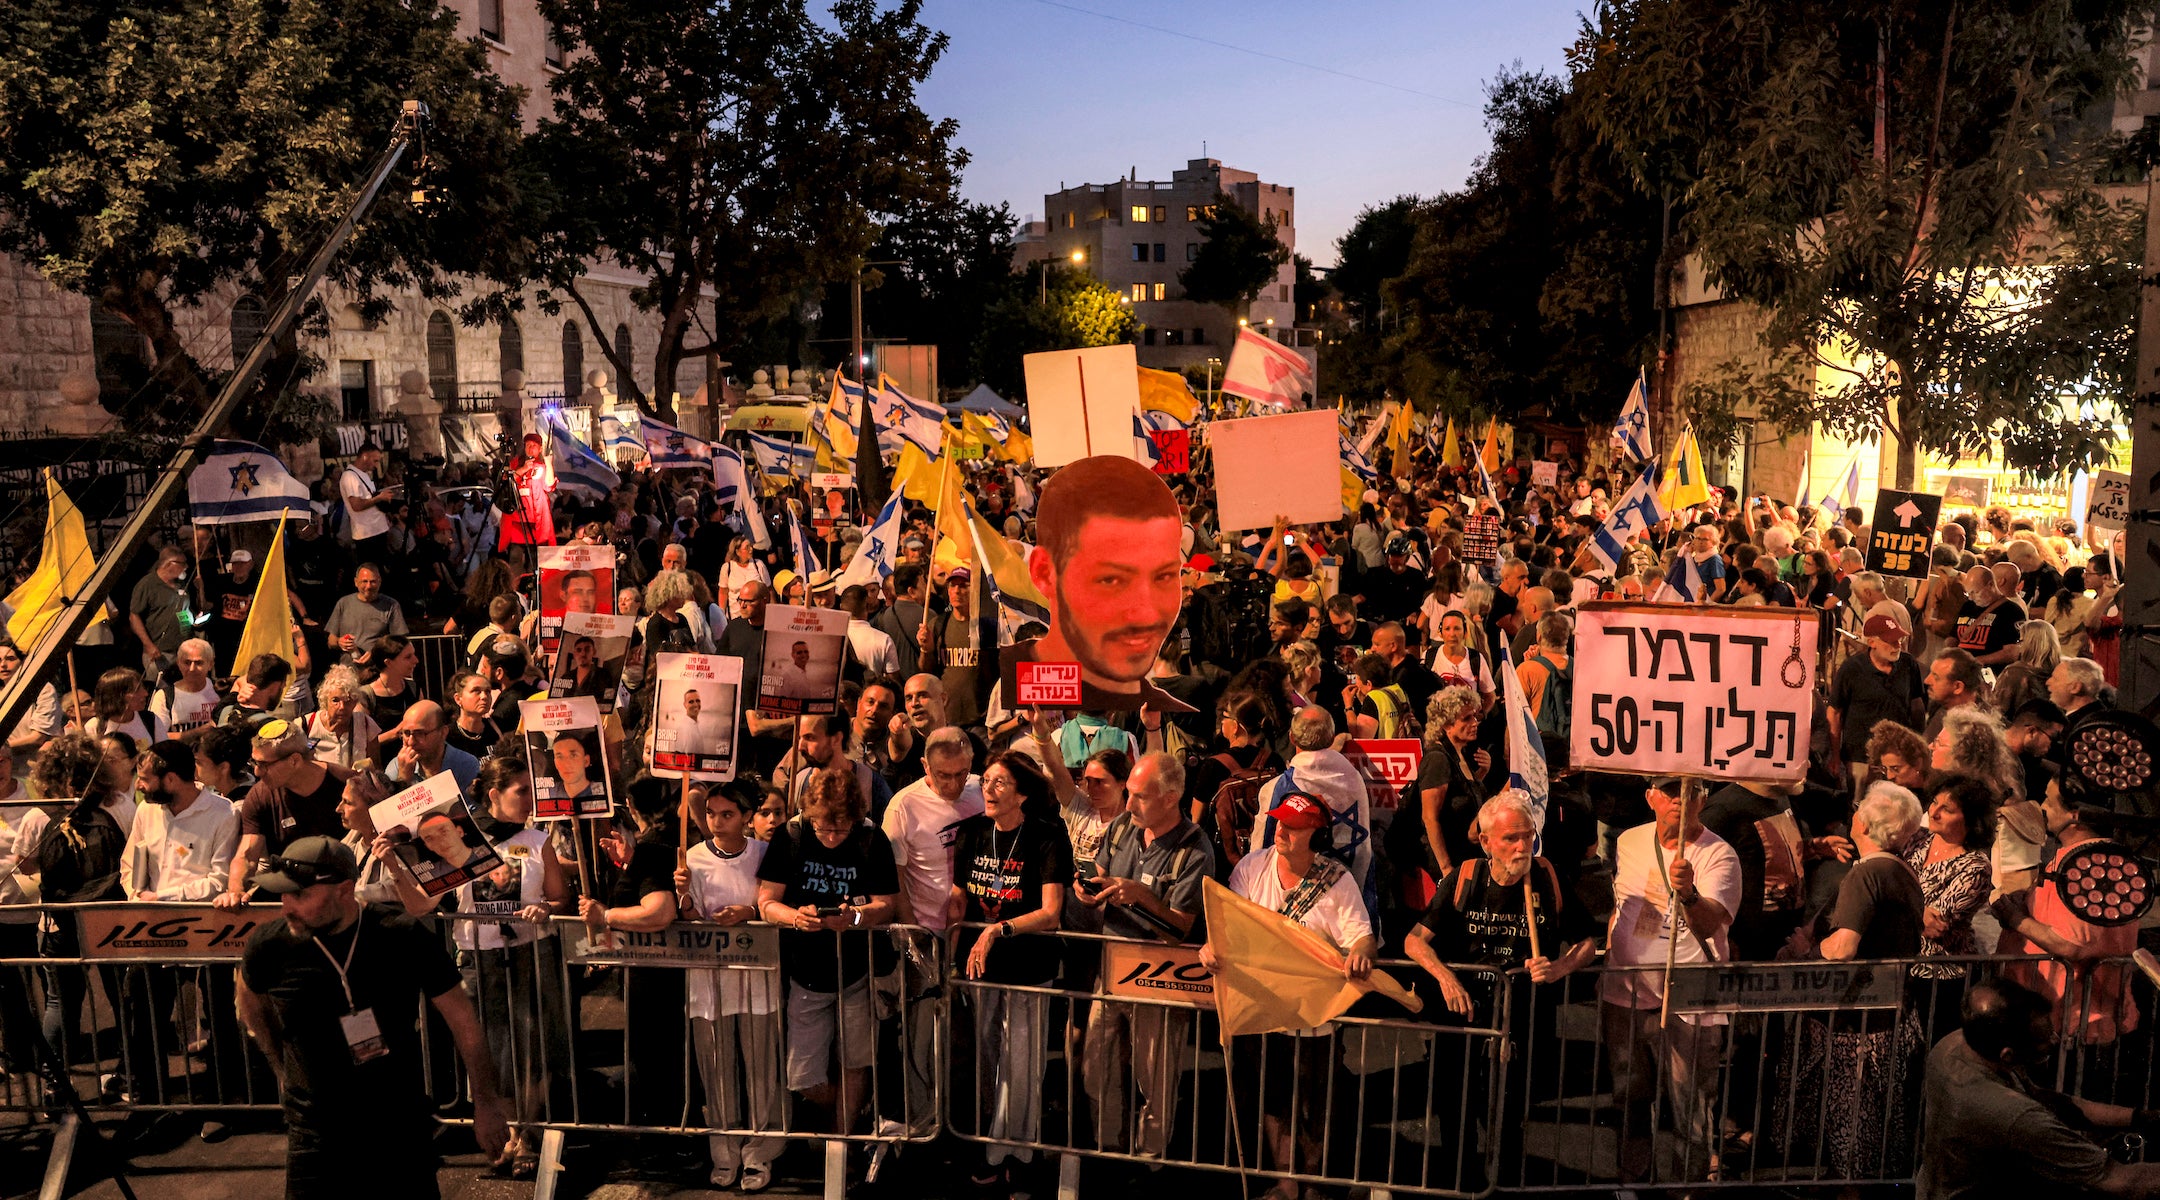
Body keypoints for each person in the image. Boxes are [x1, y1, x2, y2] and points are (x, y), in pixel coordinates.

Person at [237, 836, 510, 1193]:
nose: (286, 905)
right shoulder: (270, 945)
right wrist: (278, 1065)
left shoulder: (400, 935)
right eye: (283, 894)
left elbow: (463, 1020)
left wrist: (486, 1104)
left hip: (396, 1124)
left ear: (344, 890)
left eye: (300, 895)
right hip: (315, 1131)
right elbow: (249, 1001)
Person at [387, 753, 568, 1179]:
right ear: (493, 795)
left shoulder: (537, 841)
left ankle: (526, 1132)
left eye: (531, 789)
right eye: (521, 791)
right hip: (477, 960)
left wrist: (545, 908)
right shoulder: (460, 842)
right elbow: (421, 905)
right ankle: (504, 1130)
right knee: (490, 1048)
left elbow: (560, 899)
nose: (529, 799)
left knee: (532, 1044)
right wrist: (396, 865)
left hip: (531, 955)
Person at [1204, 792, 1377, 1199]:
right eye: (1280, 822)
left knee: (1314, 1109)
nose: (1281, 831)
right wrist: (1211, 947)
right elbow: (1228, 925)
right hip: (1262, 1009)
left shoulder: (1337, 880)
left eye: (1294, 827)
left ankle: (1314, 1187)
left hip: (1313, 1016)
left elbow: (1364, 939)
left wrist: (1360, 956)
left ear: (1317, 836)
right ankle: (1286, 1184)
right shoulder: (1252, 866)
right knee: (1273, 1103)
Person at [1781, 783, 1927, 1177]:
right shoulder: (1901, 870)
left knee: (1854, 1125)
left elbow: (1843, 947)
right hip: (1886, 1016)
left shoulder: (1868, 874)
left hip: (1857, 1025)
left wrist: (1806, 952)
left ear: (1862, 821)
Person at [1601, 777, 1740, 1181]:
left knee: (1690, 1107)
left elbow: (1713, 921)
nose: (1680, 798)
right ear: (1650, 798)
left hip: (1690, 1000)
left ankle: (1687, 1188)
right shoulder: (1628, 840)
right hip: (1625, 994)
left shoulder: (1720, 854)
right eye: (1669, 790)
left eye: (1691, 790)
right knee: (1629, 1100)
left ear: (1704, 798)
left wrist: (1691, 893)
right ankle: (1632, 1180)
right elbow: (1623, 901)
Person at [948, 753, 1072, 1194]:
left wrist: (998, 931)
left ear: (1022, 793)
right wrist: (948, 948)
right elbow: (959, 899)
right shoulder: (973, 832)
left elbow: (1052, 912)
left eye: (1000, 783)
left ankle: (1015, 1154)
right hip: (980, 968)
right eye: (987, 781)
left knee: (1020, 1064)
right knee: (986, 1061)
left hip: (1029, 968)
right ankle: (990, 1144)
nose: (989, 789)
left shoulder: (1047, 837)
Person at [1079, 751, 1213, 1158]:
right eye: (1130, 794)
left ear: (1171, 798)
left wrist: (1142, 898)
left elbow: (1180, 929)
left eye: (1141, 796)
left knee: (1155, 1077)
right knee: (1096, 1065)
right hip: (1112, 965)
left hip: (1161, 975)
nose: (1130, 803)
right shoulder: (1123, 827)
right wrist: (1089, 889)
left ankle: (1151, 1157)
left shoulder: (1196, 850)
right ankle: (1108, 1147)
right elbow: (1099, 876)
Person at [1918, 979, 2160, 1200]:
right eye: (2044, 1039)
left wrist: (2140, 1118)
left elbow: (2048, 1101)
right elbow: (2126, 1181)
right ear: (2008, 1055)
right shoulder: (2014, 1116)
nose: (2055, 1039)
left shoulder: (1960, 1044)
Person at [756, 769, 899, 1135]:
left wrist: (855, 917)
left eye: (841, 828)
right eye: (823, 828)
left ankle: (841, 1144)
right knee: (802, 1077)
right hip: (805, 972)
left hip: (858, 970)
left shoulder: (871, 838)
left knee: (856, 1061)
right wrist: (795, 917)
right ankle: (851, 1116)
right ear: (809, 815)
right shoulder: (793, 836)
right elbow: (766, 902)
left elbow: (887, 904)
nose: (832, 837)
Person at [1010, 455, 1190, 711]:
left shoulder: (1159, 701)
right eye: (1112, 580)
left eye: (1163, 576)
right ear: (1044, 573)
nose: (1146, 613)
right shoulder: (1035, 683)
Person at [674, 779, 785, 1191]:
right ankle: (724, 1153)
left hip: (757, 978)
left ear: (745, 816)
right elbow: (689, 917)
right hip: (709, 979)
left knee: (760, 1068)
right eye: (711, 814)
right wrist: (684, 895)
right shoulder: (694, 857)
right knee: (717, 1069)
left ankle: (761, 1152)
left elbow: (771, 901)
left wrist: (750, 910)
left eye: (727, 814)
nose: (717, 822)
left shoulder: (763, 853)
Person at [1994, 769, 2141, 1045]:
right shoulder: (2092, 859)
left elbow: (2070, 944)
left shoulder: (2089, 864)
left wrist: (2015, 918)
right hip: (2065, 1018)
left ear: (2075, 814)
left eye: (2050, 801)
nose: (2043, 808)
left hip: (2072, 1023)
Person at [218, 721, 348, 909]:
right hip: (287, 892)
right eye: (254, 763)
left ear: (294, 760)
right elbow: (247, 855)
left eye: (264, 764)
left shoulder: (345, 784)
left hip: (338, 891)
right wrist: (235, 891)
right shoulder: (260, 795)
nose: (256, 772)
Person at [1402, 686, 1491, 899]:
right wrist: (1446, 869)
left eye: (1475, 716)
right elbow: (1430, 818)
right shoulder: (1438, 759)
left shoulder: (1461, 756)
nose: (1474, 723)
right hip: (1442, 865)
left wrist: (1483, 773)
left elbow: (1462, 797)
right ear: (1446, 724)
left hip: (1463, 857)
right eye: (1466, 718)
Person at [1828, 614, 1927, 798]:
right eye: (1891, 641)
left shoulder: (1908, 664)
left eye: (1899, 640)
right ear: (1872, 642)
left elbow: (1916, 706)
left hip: (1899, 758)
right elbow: (1835, 712)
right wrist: (1834, 756)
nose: (1897, 645)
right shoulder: (1852, 669)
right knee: (1860, 808)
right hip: (1861, 757)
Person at [384, 700, 481, 794]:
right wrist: (403, 779)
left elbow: (472, 809)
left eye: (420, 734)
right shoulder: (398, 766)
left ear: (443, 732)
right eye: (406, 733)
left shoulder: (465, 764)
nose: (411, 741)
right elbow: (388, 810)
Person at [128, 545, 193, 677]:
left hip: (184, 650)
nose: (186, 567)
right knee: (162, 689)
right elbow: (134, 616)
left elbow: (185, 610)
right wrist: (148, 645)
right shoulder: (147, 584)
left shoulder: (181, 585)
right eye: (182, 563)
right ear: (170, 564)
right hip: (161, 652)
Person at [323, 564, 408, 661]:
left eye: (373, 582)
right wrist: (339, 642)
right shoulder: (343, 603)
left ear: (379, 581)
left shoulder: (391, 605)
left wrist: (377, 652)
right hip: (348, 670)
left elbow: (400, 642)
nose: (368, 586)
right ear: (356, 582)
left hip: (378, 669)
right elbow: (331, 641)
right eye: (364, 581)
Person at [305, 666, 381, 772]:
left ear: (355, 702)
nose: (342, 707)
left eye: (348, 700)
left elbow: (376, 767)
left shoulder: (366, 725)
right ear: (325, 701)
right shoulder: (306, 725)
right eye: (335, 700)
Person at [338, 442, 400, 564]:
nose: (376, 465)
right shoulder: (350, 476)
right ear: (365, 456)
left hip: (377, 530)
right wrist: (379, 498)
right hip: (367, 534)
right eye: (375, 461)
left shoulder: (364, 475)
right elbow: (356, 505)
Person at [150, 638, 222, 736]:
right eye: (187, 663)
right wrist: (196, 733)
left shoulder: (221, 690)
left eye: (198, 663)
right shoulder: (164, 697)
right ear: (178, 663)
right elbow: (158, 737)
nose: (192, 669)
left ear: (210, 664)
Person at [1922, 648, 1987, 740]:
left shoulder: (1980, 730)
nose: (1926, 681)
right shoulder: (1938, 706)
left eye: (1936, 677)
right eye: (1930, 673)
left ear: (1957, 687)